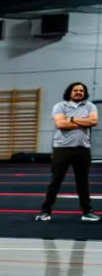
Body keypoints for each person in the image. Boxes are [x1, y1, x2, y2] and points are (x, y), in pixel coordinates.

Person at [37, 82, 99, 222]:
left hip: (83, 148)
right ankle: (45, 211)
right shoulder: (60, 106)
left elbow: (94, 121)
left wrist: (70, 119)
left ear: (84, 93)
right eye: (75, 90)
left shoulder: (90, 106)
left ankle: (87, 212)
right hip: (62, 149)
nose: (78, 92)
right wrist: (84, 121)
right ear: (70, 92)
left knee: (83, 182)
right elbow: (60, 124)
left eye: (81, 91)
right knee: (56, 180)